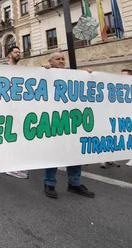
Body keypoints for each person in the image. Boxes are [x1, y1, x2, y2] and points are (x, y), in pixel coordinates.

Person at [42, 52, 95, 199]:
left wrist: (86, 75)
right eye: (57, 59)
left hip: (72, 120)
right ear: (50, 62)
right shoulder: (45, 73)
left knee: (74, 152)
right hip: (54, 120)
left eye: (63, 59)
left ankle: (74, 183)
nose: (61, 61)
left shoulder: (72, 75)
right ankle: (49, 183)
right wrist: (43, 69)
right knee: (53, 153)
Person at [4, 46, 28, 180]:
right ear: (9, 54)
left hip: (19, 109)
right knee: (10, 137)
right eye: (15, 52)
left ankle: (16, 164)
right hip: (7, 109)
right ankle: (10, 167)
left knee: (18, 137)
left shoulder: (22, 70)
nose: (18, 54)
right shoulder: (3, 69)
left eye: (19, 52)